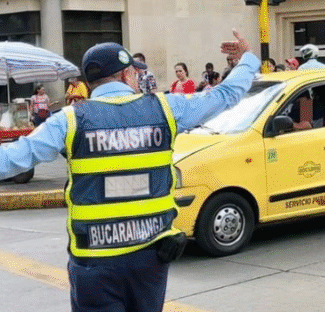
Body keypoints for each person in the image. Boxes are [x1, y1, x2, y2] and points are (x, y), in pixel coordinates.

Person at [0, 30, 260, 312]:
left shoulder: (69, 120)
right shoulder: (165, 108)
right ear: (126, 75)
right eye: (135, 73)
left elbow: (13, 159)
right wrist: (247, 60)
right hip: (149, 260)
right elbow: (226, 94)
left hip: (94, 263)